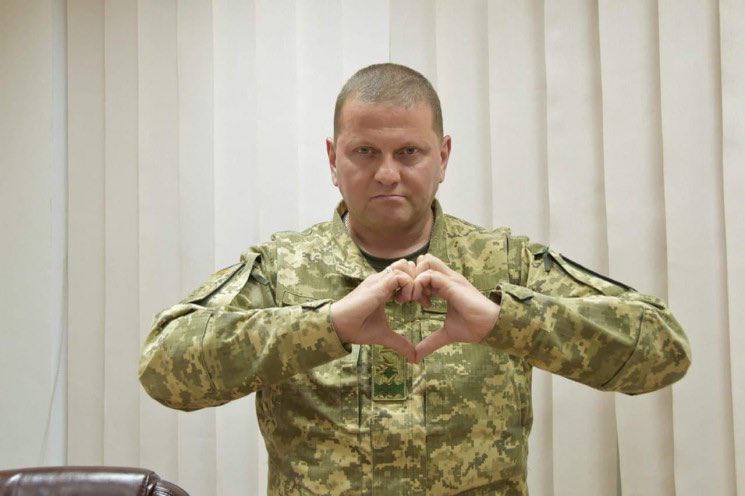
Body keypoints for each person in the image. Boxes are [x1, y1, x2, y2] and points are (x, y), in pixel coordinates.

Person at [138, 63, 691, 495]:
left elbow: (663, 349)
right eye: (364, 152)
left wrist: (506, 322)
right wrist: (325, 327)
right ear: (333, 160)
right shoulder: (284, 269)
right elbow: (163, 366)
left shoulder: (503, 263)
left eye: (409, 152)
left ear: (442, 157)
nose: (387, 173)